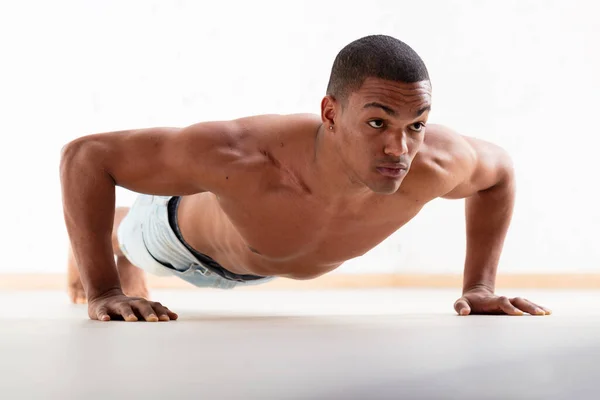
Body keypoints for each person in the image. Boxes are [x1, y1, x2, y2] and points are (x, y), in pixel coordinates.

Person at [60, 35, 551, 322]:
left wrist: (480, 286)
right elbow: (85, 157)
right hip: (179, 244)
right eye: (377, 123)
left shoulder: (439, 163)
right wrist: (103, 291)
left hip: (268, 256)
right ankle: (118, 234)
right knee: (130, 235)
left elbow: (499, 174)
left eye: (416, 125)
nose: (399, 150)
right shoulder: (241, 153)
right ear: (330, 113)